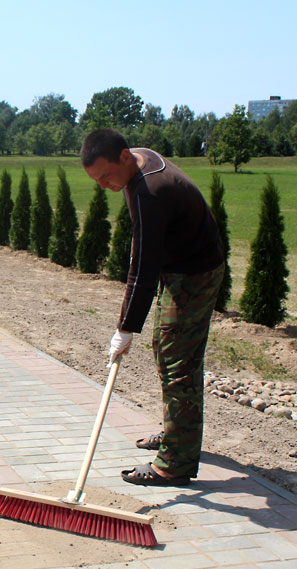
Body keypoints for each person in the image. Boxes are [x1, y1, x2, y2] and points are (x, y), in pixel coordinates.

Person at [80, 128, 224, 487]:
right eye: (97, 180)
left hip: (195, 274)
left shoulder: (150, 191)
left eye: (106, 176)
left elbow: (142, 269)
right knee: (166, 349)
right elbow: (143, 249)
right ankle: (178, 431)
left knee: (179, 360)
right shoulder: (136, 162)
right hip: (177, 267)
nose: (104, 186)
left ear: (125, 157)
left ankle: (174, 463)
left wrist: (125, 327)